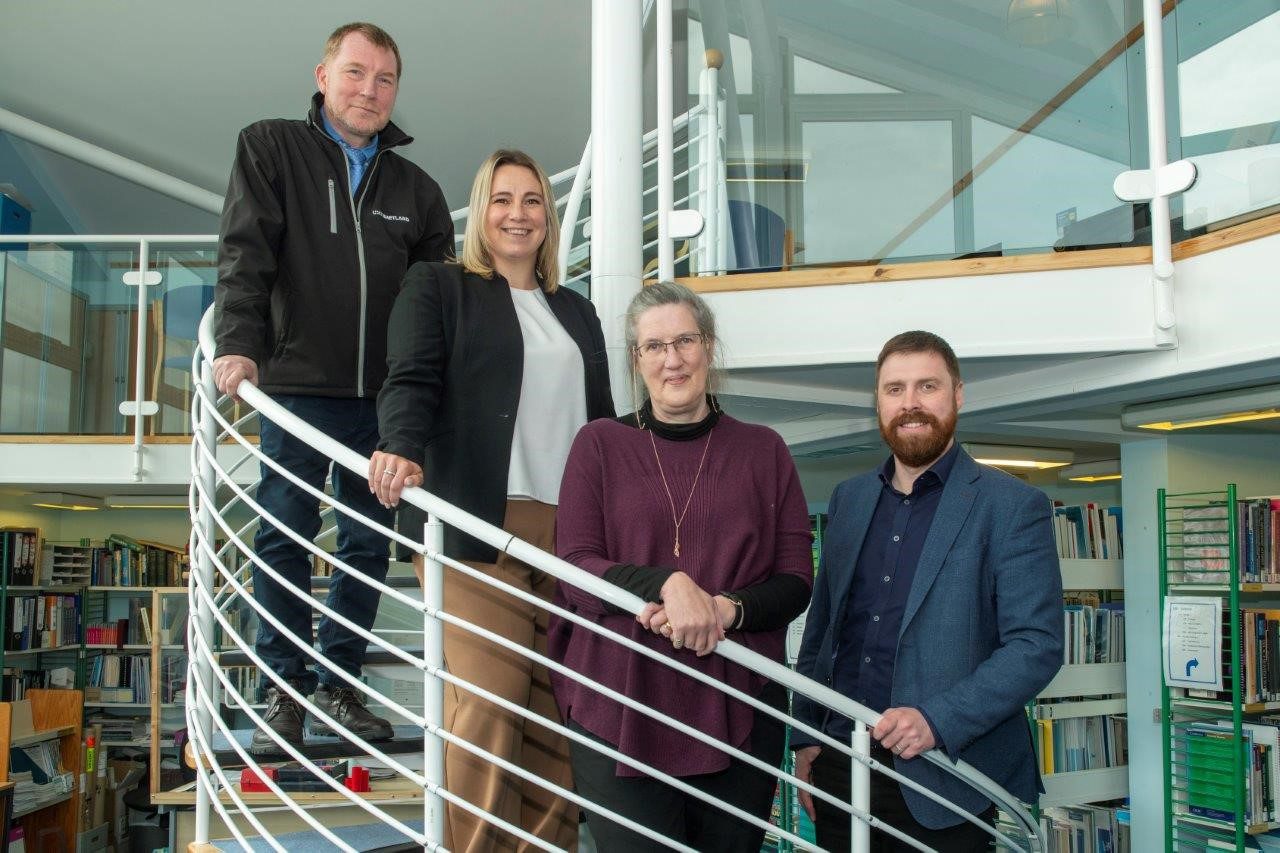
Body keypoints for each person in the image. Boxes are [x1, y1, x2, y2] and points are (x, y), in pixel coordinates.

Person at [212, 21, 454, 754]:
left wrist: (426, 396)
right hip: (292, 383)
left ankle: (338, 681)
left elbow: (436, 303)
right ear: (323, 75)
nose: (369, 90)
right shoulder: (271, 147)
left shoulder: (419, 191)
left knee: (365, 541)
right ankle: (282, 685)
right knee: (283, 530)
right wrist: (237, 346)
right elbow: (245, 250)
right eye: (355, 73)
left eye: (384, 79)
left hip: (382, 400)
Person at [370, 149, 614, 852]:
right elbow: (409, 377)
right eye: (502, 199)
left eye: (533, 200)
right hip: (476, 522)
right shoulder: (440, 287)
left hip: (572, 536)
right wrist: (400, 444)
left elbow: (600, 425)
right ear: (481, 211)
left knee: (558, 716)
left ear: (549, 216)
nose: (518, 213)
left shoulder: (577, 310)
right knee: (488, 701)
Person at [550, 281, 814, 852]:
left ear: (710, 348)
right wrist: (669, 586)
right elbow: (574, 564)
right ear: (637, 359)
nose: (672, 359)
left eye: (685, 341)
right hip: (617, 698)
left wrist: (723, 610)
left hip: (738, 696)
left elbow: (795, 580)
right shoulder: (597, 444)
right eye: (654, 346)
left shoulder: (764, 449)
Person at [792, 330, 1063, 851]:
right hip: (839, 763)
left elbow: (1037, 646)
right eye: (894, 389)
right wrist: (806, 736)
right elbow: (823, 630)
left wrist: (938, 721)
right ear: (877, 401)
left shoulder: (1010, 507)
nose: (910, 404)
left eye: (927, 386)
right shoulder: (848, 500)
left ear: (957, 395)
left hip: (945, 776)